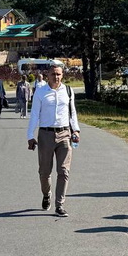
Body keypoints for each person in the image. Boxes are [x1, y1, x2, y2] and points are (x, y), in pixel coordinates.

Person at [26, 65, 80, 217]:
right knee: (44, 172)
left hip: (64, 134)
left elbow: (72, 112)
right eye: (53, 74)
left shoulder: (68, 91)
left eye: (58, 74)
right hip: (45, 134)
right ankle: (46, 194)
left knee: (63, 171)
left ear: (62, 75)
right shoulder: (41, 92)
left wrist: (75, 130)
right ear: (47, 75)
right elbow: (35, 114)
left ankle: (59, 205)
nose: (56, 77)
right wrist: (30, 135)